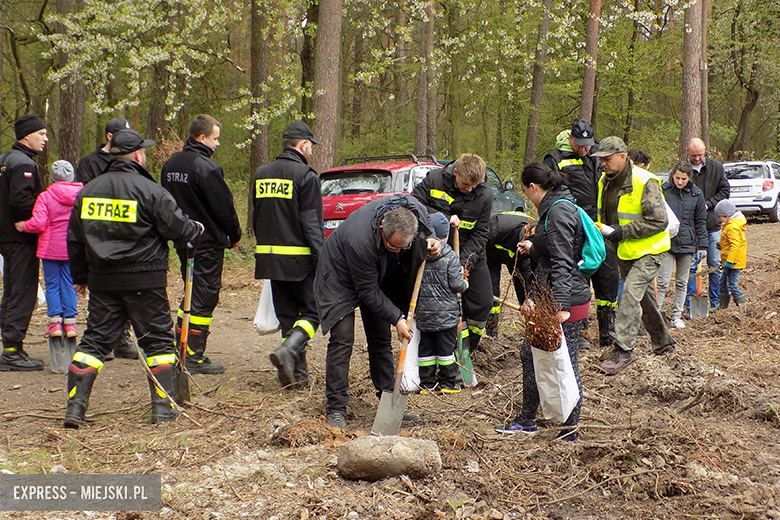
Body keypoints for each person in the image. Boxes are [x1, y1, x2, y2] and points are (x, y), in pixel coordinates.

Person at [64, 129, 202, 428]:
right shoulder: (150, 190)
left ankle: (75, 409)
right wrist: (195, 229)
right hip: (144, 279)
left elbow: (74, 238)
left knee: (94, 342)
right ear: (138, 155)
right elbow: (179, 230)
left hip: (102, 280)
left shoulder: (88, 191)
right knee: (157, 342)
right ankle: (162, 409)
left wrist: (81, 276)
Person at [315, 194, 440, 430]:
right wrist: (398, 318)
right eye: (393, 246)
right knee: (342, 339)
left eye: (403, 247)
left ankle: (387, 400)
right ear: (382, 230)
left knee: (380, 337)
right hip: (339, 277)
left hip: (379, 269)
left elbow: (426, 230)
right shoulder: (360, 241)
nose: (398, 251)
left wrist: (432, 239)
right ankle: (336, 408)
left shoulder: (417, 212)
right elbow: (368, 292)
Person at [494, 162, 591, 441]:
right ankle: (529, 418)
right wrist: (534, 247)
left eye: (526, 192)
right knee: (530, 353)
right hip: (553, 293)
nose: (528, 197)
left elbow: (562, 261)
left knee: (566, 362)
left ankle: (570, 430)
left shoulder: (559, 211)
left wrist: (561, 307)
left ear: (533, 187)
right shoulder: (553, 208)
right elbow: (552, 254)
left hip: (566, 298)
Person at [161, 114, 242, 375]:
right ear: (202, 137)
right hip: (206, 242)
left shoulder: (170, 165)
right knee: (204, 296)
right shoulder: (206, 168)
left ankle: (180, 347)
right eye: (215, 138)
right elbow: (224, 208)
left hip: (182, 239)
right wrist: (234, 234)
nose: (217, 144)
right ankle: (192, 355)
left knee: (190, 292)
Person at [593, 136, 676, 375]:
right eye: (601, 159)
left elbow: (659, 221)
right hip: (625, 250)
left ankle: (623, 350)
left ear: (623, 157)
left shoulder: (645, 181)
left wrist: (621, 232)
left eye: (607, 159)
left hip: (650, 251)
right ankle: (664, 344)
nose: (603, 163)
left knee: (629, 294)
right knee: (645, 300)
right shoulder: (604, 180)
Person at [253, 121, 324, 389]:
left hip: (270, 260)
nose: (311, 151)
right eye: (311, 146)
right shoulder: (306, 176)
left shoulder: (261, 174)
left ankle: (296, 377)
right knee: (313, 313)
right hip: (300, 261)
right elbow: (312, 224)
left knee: (288, 318)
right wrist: (323, 260)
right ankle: (288, 350)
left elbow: (256, 217)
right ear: (303, 145)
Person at [544, 119, 619, 353]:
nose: (584, 148)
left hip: (602, 225)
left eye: (587, 144)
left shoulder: (599, 155)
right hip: (575, 227)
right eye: (579, 144)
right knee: (579, 277)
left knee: (608, 277)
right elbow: (550, 191)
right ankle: (580, 330)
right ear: (570, 139)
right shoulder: (556, 159)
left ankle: (608, 330)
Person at [411, 153, 492, 354]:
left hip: (470, 253)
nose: (469, 189)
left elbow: (481, 233)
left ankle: (467, 349)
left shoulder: (484, 194)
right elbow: (413, 204)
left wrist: (463, 264)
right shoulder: (434, 179)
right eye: (465, 184)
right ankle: (436, 349)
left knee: (483, 303)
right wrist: (444, 217)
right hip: (434, 252)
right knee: (435, 305)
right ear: (455, 172)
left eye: (474, 185)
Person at [77, 118, 139, 359]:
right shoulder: (89, 163)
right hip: (99, 234)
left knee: (127, 290)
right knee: (101, 294)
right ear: (110, 136)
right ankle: (101, 341)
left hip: (126, 234)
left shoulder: (133, 162)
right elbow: (87, 194)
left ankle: (122, 338)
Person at [15, 160, 83, 339]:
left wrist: (23, 226)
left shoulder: (45, 197)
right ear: (72, 176)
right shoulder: (82, 196)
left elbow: (39, 223)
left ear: (52, 178)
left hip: (50, 249)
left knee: (52, 285)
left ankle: (55, 324)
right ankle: (70, 324)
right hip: (72, 248)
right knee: (69, 283)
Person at [0, 115, 47, 371]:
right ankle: (11, 350)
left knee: (11, 290)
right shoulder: (23, 163)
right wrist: (41, 218)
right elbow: (20, 200)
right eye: (41, 134)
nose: (45, 139)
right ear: (27, 135)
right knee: (24, 291)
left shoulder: (5, 159)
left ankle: (10, 346)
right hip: (20, 237)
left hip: (6, 237)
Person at [416, 213, 469, 394]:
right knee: (446, 350)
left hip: (424, 313)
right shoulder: (450, 256)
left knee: (426, 349)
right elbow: (457, 285)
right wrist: (465, 282)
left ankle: (427, 383)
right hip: (447, 314)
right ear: (445, 235)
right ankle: (448, 383)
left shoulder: (419, 255)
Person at [656, 162, 707, 329]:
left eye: (683, 179)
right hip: (667, 242)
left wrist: (703, 246)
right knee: (663, 281)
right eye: (677, 178)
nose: (679, 181)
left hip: (687, 244)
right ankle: (656, 315)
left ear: (689, 178)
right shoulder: (663, 191)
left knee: (682, 282)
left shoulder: (696, 194)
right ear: (672, 175)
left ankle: (676, 316)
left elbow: (700, 221)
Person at [685, 138, 730, 311]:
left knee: (715, 265)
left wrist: (708, 204)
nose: (697, 158)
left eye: (700, 155)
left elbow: (725, 191)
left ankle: (715, 303)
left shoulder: (716, 168)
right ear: (687, 152)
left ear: (705, 151)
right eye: (694, 155)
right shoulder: (683, 170)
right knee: (690, 267)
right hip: (690, 227)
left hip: (712, 225)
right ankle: (690, 304)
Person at [485, 211, 533, 338]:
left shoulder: (536, 236)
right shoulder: (495, 228)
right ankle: (491, 331)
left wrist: (530, 298)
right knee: (492, 290)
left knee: (525, 290)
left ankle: (531, 328)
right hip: (491, 253)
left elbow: (531, 273)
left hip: (520, 258)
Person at [75, 117, 131, 184]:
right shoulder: (88, 163)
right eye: (123, 136)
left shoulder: (131, 160)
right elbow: (85, 188)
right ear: (109, 136)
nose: (127, 139)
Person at [714, 200, 747, 308]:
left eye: (720, 217)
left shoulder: (732, 227)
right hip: (729, 260)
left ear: (726, 215)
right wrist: (722, 246)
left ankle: (743, 306)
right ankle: (722, 306)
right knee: (722, 282)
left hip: (734, 262)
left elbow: (735, 245)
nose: (719, 219)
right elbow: (729, 242)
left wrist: (729, 261)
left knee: (731, 284)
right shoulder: (728, 225)